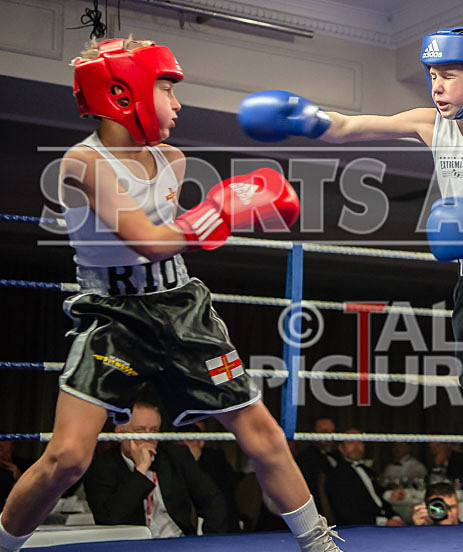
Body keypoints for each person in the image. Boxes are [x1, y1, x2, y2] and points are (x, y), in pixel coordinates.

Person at [238, 23, 463, 552]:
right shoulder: (428, 124)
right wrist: (307, 119)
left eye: (450, 75)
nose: (437, 87)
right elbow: (350, 125)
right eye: (433, 76)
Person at [0, 38, 342, 552]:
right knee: (67, 457)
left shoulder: (172, 160)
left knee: (263, 432)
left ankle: (319, 542)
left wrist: (212, 215)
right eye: (165, 87)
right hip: (113, 316)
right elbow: (147, 239)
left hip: (182, 308)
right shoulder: (82, 163)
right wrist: (223, 209)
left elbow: (168, 241)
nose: (178, 103)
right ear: (124, 91)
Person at [83, 402, 228, 536]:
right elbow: (108, 520)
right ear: (120, 433)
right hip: (130, 546)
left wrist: (208, 541)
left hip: (176, 543)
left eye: (154, 430)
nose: (148, 436)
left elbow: (213, 500)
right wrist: (141, 470)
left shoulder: (176, 455)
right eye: (140, 430)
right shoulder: (100, 467)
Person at [325, 429, 403, 527]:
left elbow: (377, 498)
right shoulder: (337, 475)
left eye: (360, 442)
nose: (356, 446)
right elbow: (347, 514)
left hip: (382, 521)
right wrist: (384, 522)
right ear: (341, 448)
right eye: (351, 442)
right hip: (362, 528)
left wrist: (394, 516)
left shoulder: (367, 470)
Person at [181, 420, 243, 532]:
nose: (185, 445)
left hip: (216, 527)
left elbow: (222, 502)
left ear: (202, 441)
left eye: (191, 439)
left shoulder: (216, 462)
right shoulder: (170, 462)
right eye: (181, 441)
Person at [295, 417, 339, 521]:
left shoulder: (337, 455)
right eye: (325, 432)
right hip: (316, 518)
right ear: (313, 434)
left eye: (332, 432)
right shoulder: (305, 459)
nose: (329, 436)